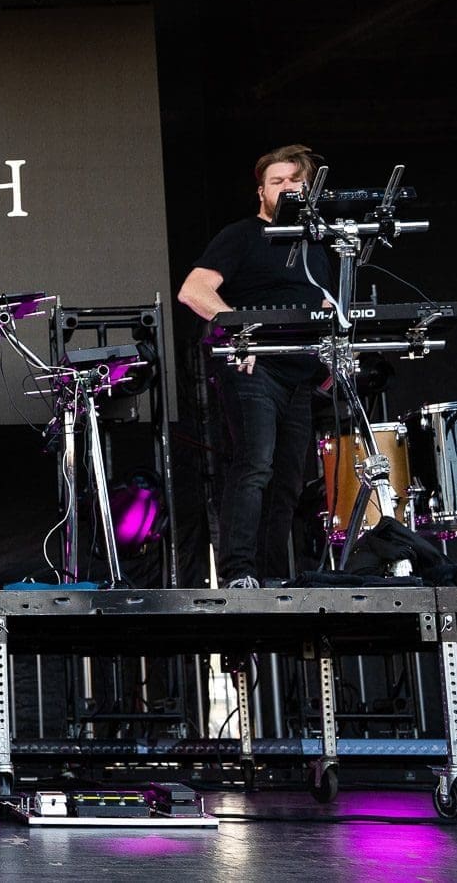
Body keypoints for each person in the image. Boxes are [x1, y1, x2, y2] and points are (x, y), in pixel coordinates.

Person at [178, 144, 332, 587]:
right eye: (276, 182)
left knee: (288, 479)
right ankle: (238, 572)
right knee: (255, 465)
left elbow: (321, 301)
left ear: (310, 190)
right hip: (253, 368)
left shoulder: (314, 245)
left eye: (294, 182)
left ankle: (272, 578)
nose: (285, 189)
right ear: (260, 192)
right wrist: (237, 330)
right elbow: (194, 289)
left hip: (298, 373)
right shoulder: (243, 235)